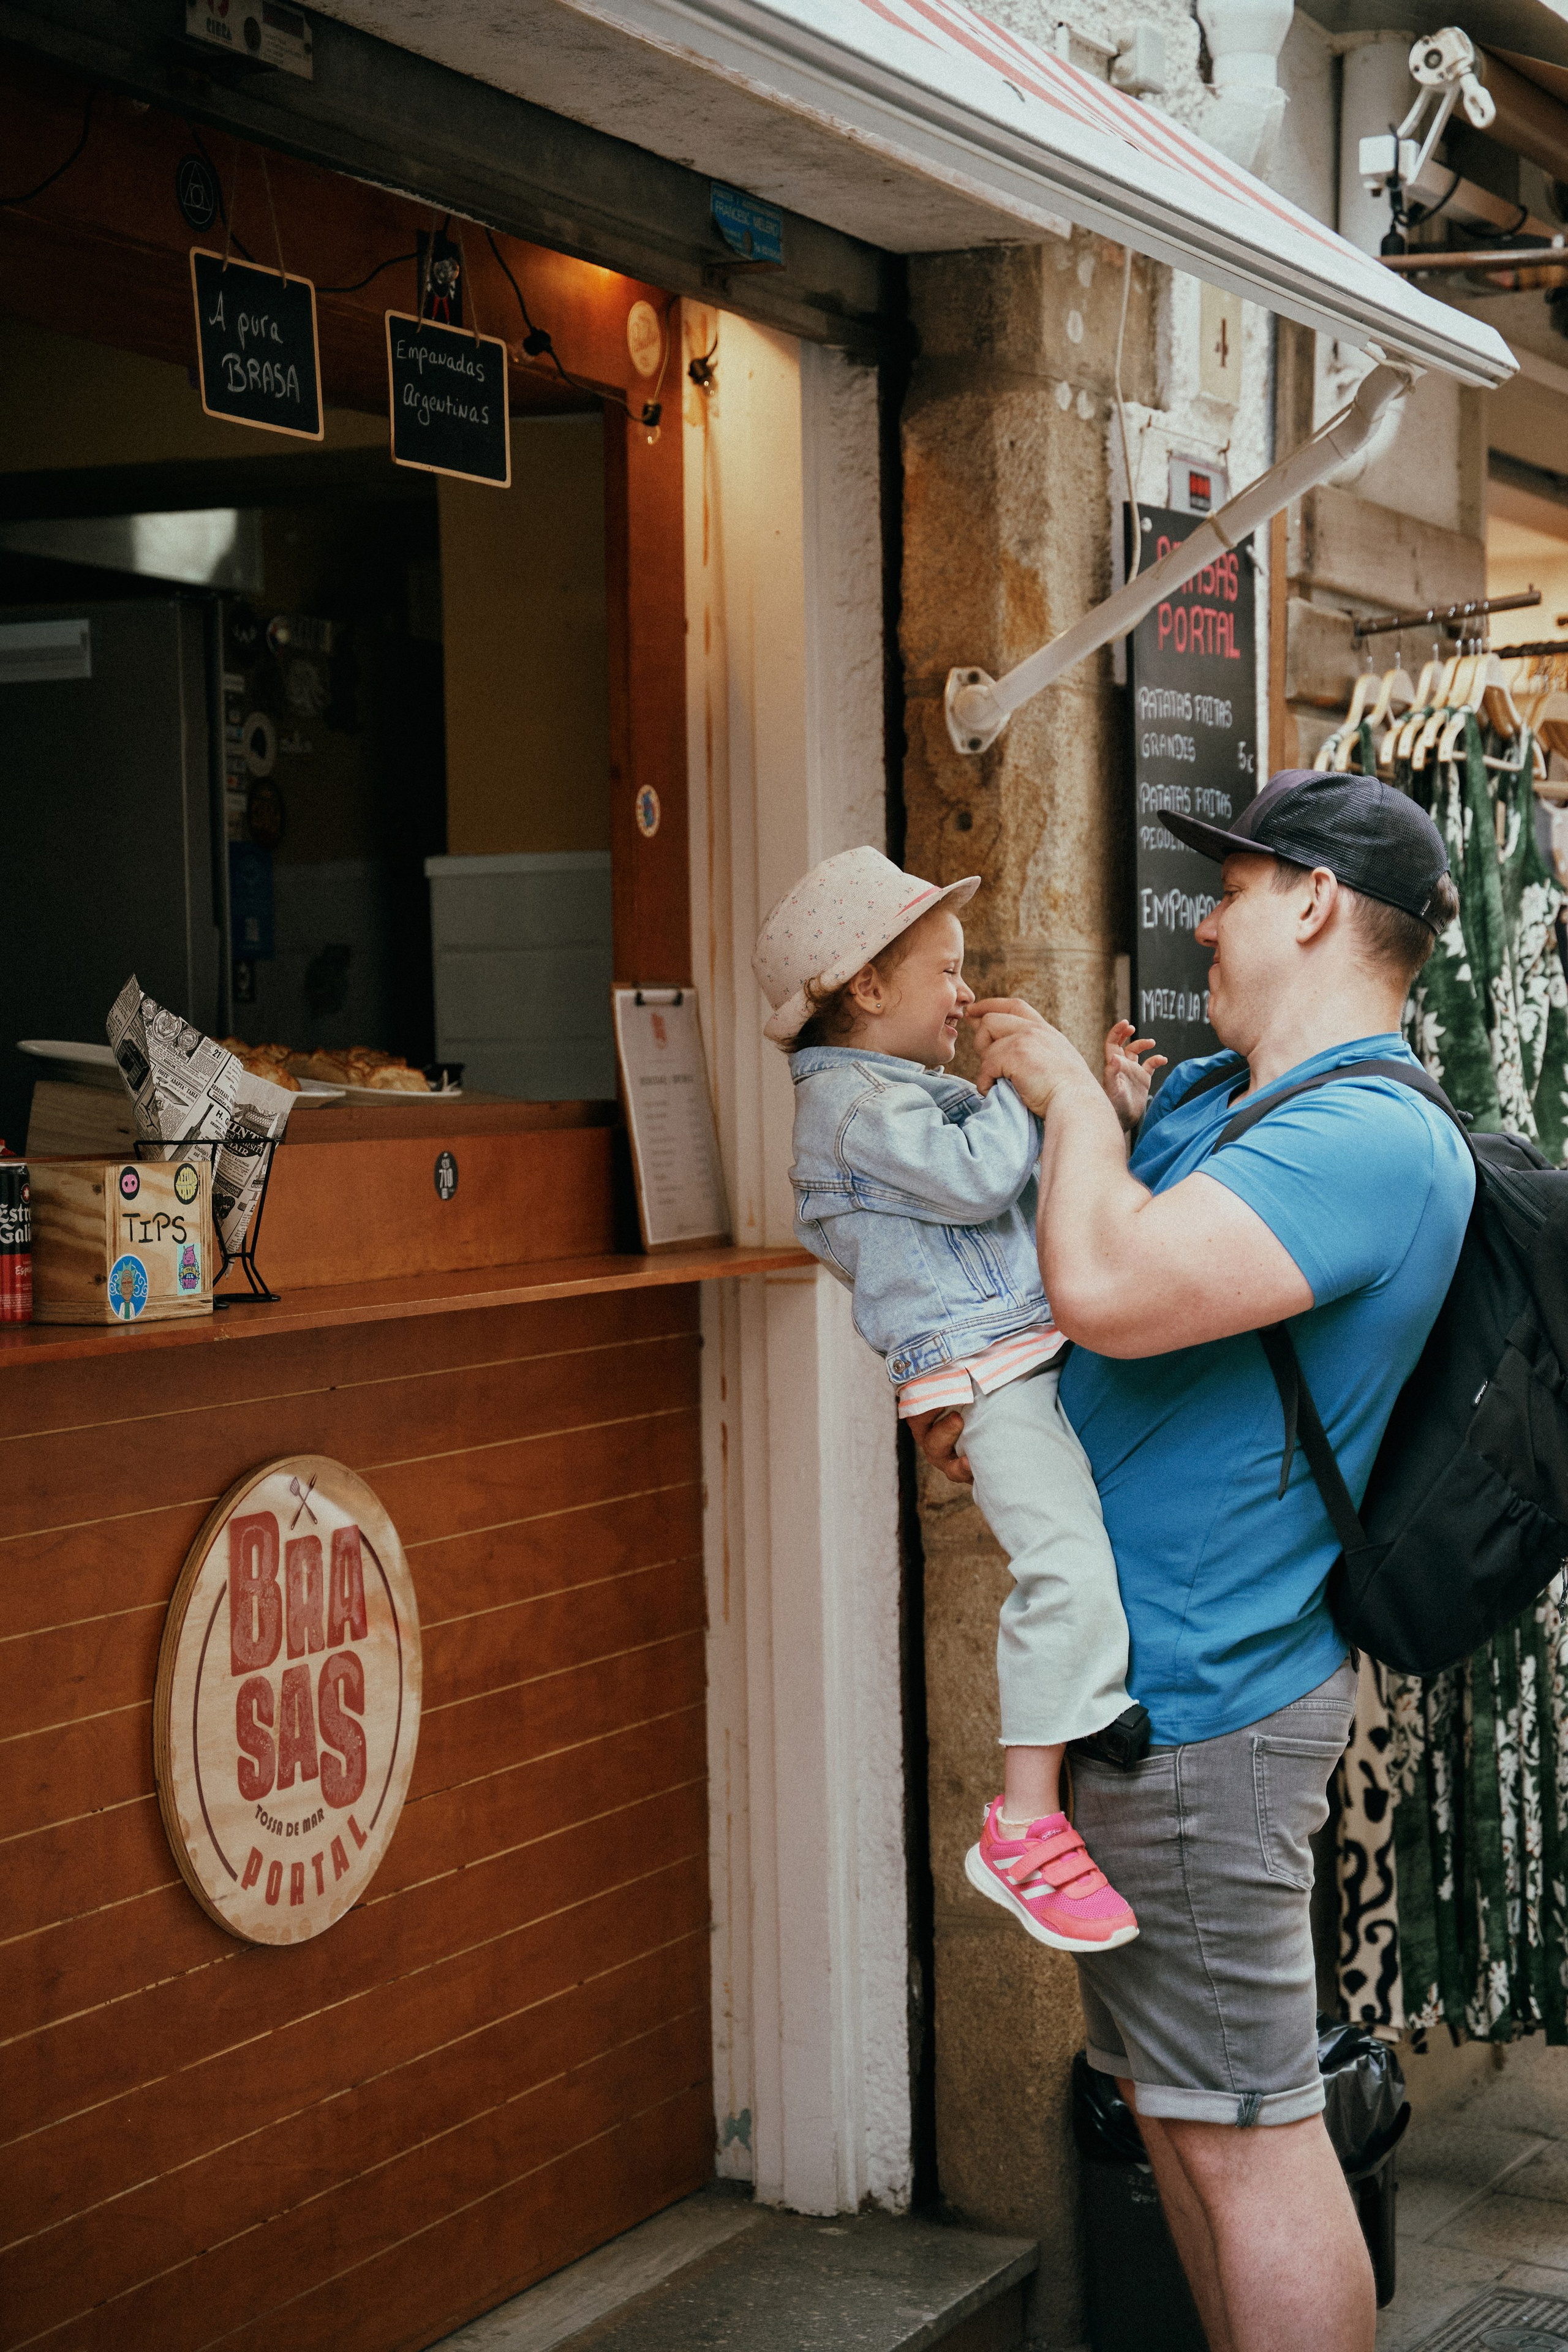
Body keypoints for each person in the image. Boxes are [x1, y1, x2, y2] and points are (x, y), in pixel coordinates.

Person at [910, 771, 1472, 2352]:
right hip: (1147, 1710)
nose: (1204, 918)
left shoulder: (1372, 1139)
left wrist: (1079, 1115)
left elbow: (1106, 1278)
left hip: (1213, 1718)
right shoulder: (1244, 1099)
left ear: (1313, 903)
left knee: (1253, 2150)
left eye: (1231, 886)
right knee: (1180, 2128)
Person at [752, 844, 1157, 1954]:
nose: (966, 994)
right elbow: (989, 1175)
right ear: (867, 989)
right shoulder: (847, 1109)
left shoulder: (909, 1100)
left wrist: (1098, 1108)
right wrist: (1042, 1085)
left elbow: (1023, 1187)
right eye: (947, 970)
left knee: (1084, 1543)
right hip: (987, 1375)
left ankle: (1087, 1712)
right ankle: (1025, 1824)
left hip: (1014, 1358)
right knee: (1061, 1564)